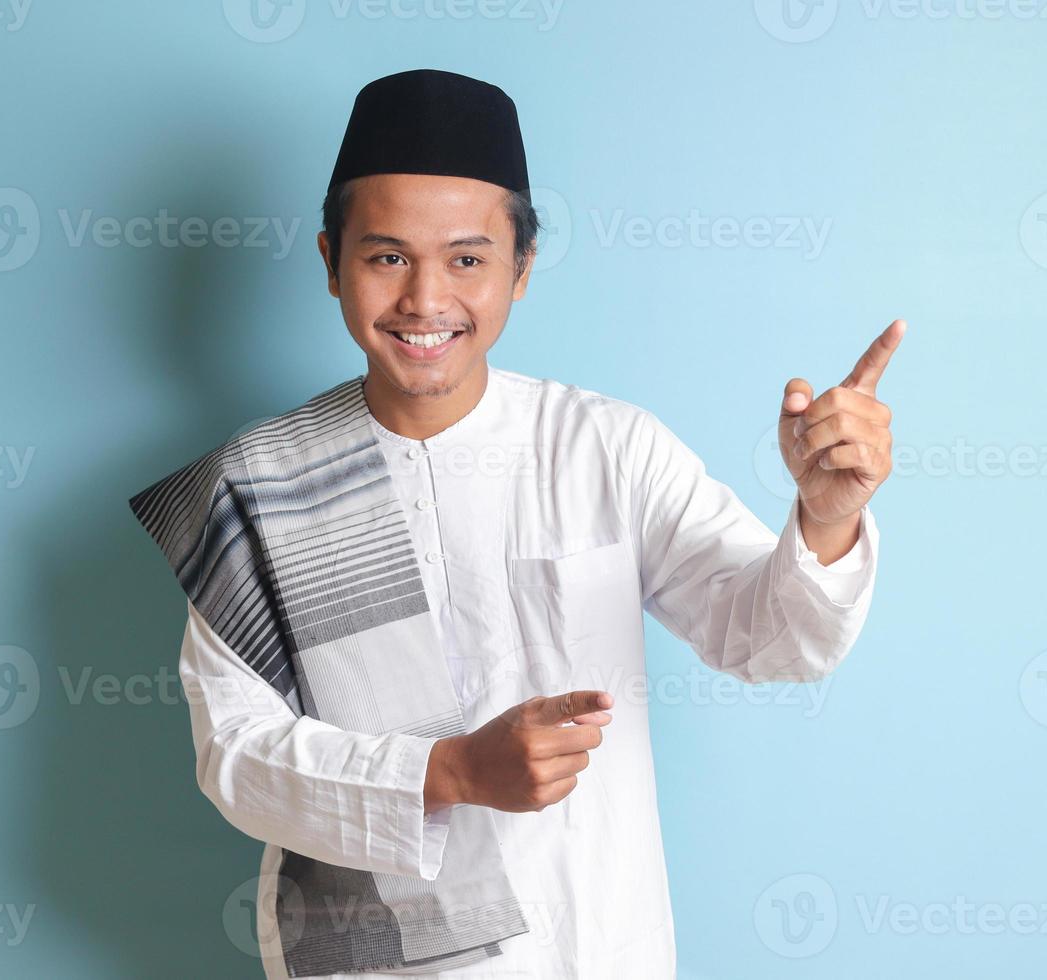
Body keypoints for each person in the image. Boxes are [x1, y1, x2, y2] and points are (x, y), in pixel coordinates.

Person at [168, 68, 903, 979]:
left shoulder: (607, 447)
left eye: (468, 259)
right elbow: (237, 757)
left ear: (520, 270)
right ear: (331, 260)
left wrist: (826, 519)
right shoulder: (260, 481)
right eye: (387, 255)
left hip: (591, 948)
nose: (426, 300)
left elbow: (772, 642)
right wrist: (452, 773)